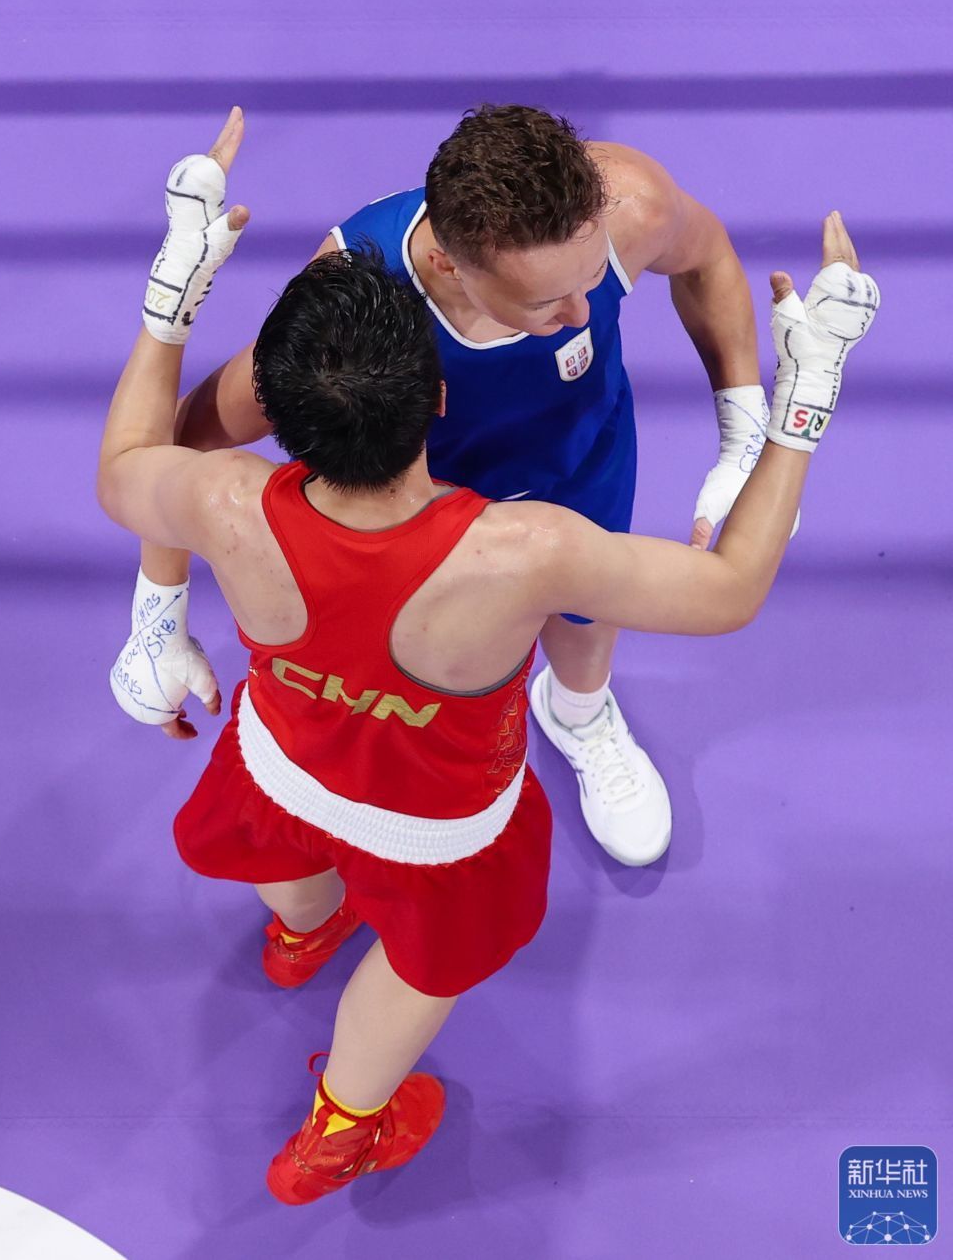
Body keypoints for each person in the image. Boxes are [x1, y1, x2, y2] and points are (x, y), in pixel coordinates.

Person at [98, 110, 877, 1204]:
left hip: (288, 752)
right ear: (434, 393)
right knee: (415, 975)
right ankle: (342, 1125)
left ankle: (308, 926)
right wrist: (806, 399)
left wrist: (155, 607)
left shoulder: (229, 503)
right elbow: (732, 587)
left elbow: (139, 457)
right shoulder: (529, 553)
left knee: (293, 850)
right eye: (547, 300)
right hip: (441, 816)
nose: (584, 314)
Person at [107, 102, 793, 870]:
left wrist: (742, 426)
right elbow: (187, 436)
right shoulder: (356, 300)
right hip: (434, 526)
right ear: (446, 266)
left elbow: (707, 259)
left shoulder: (630, 203)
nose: (581, 314)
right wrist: (157, 614)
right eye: (545, 301)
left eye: (592, 276)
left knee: (588, 618)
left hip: (584, 458)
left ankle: (580, 714)